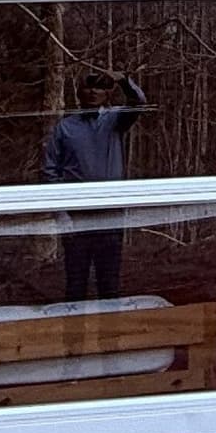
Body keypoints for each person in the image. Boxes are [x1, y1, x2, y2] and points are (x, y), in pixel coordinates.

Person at [44, 69, 148, 299]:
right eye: (88, 87)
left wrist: (123, 80)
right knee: (75, 285)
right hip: (77, 218)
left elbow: (139, 102)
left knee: (109, 285)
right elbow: (51, 172)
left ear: (108, 93)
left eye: (100, 87)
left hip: (110, 217)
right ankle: (74, 334)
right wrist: (61, 214)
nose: (93, 92)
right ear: (79, 92)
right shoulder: (65, 127)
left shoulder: (115, 121)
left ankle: (108, 334)